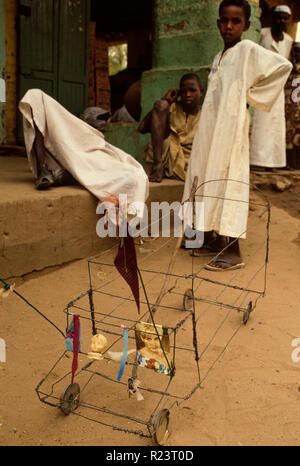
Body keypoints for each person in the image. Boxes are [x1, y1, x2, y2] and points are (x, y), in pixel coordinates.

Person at [182, 0, 292, 270]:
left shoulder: (247, 49)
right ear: (218, 22)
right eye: (224, 20)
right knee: (206, 174)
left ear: (246, 25)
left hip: (231, 131)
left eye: (235, 21)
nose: (228, 26)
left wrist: (250, 97)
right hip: (211, 129)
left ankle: (232, 250)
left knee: (228, 179)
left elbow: (282, 67)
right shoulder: (219, 57)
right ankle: (208, 235)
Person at [18, 89, 149, 220]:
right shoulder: (49, 124)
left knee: (128, 172)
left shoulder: (67, 123)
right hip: (74, 154)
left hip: (90, 149)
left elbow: (82, 143)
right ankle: (48, 172)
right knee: (125, 175)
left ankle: (58, 174)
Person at [250, 5, 293, 172]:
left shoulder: (288, 40)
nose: (281, 21)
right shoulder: (263, 33)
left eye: (284, 18)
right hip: (262, 84)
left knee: (275, 125)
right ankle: (257, 161)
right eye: (279, 17)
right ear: (273, 17)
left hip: (278, 87)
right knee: (261, 123)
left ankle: (274, 163)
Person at [138, 74, 202, 183]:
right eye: (183, 91)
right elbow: (142, 128)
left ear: (201, 92)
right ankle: (158, 166)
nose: (187, 94)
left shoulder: (206, 114)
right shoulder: (171, 107)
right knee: (161, 105)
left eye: (192, 90)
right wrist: (166, 100)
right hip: (165, 155)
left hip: (189, 159)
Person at [285, 42, 300, 169]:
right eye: (296, 52)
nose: (298, 54)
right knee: (289, 134)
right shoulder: (288, 68)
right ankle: (289, 163)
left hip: (298, 108)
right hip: (289, 106)